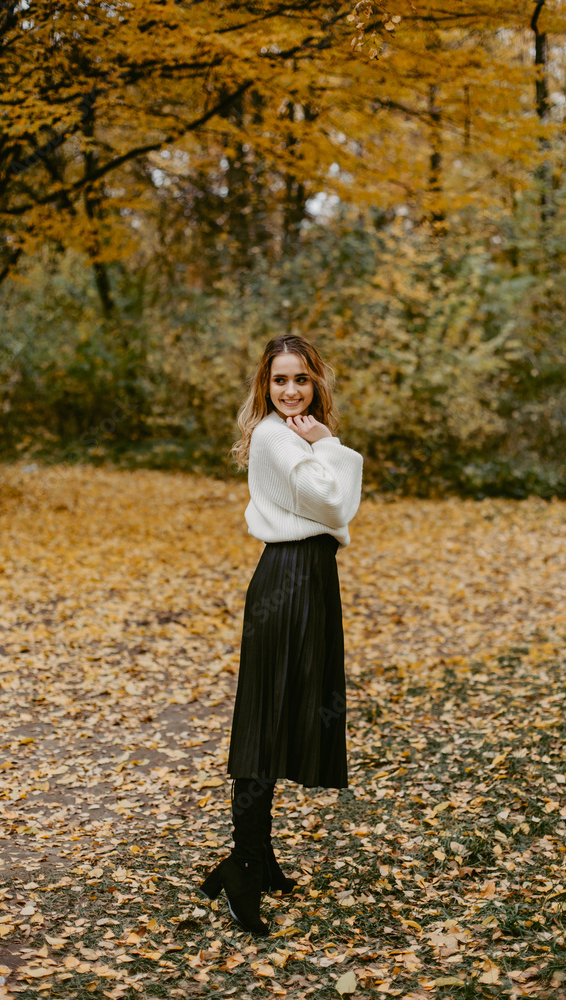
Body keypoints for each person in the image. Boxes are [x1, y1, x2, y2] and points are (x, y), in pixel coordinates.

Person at [198, 334, 363, 937]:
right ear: (264, 385)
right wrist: (329, 445)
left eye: (300, 379)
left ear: (316, 381)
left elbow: (336, 507)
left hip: (313, 577)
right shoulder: (275, 436)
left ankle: (258, 853)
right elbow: (334, 504)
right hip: (287, 579)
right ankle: (242, 864)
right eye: (279, 380)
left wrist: (319, 444)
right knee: (265, 717)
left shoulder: (299, 435)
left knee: (287, 710)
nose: (290, 390)